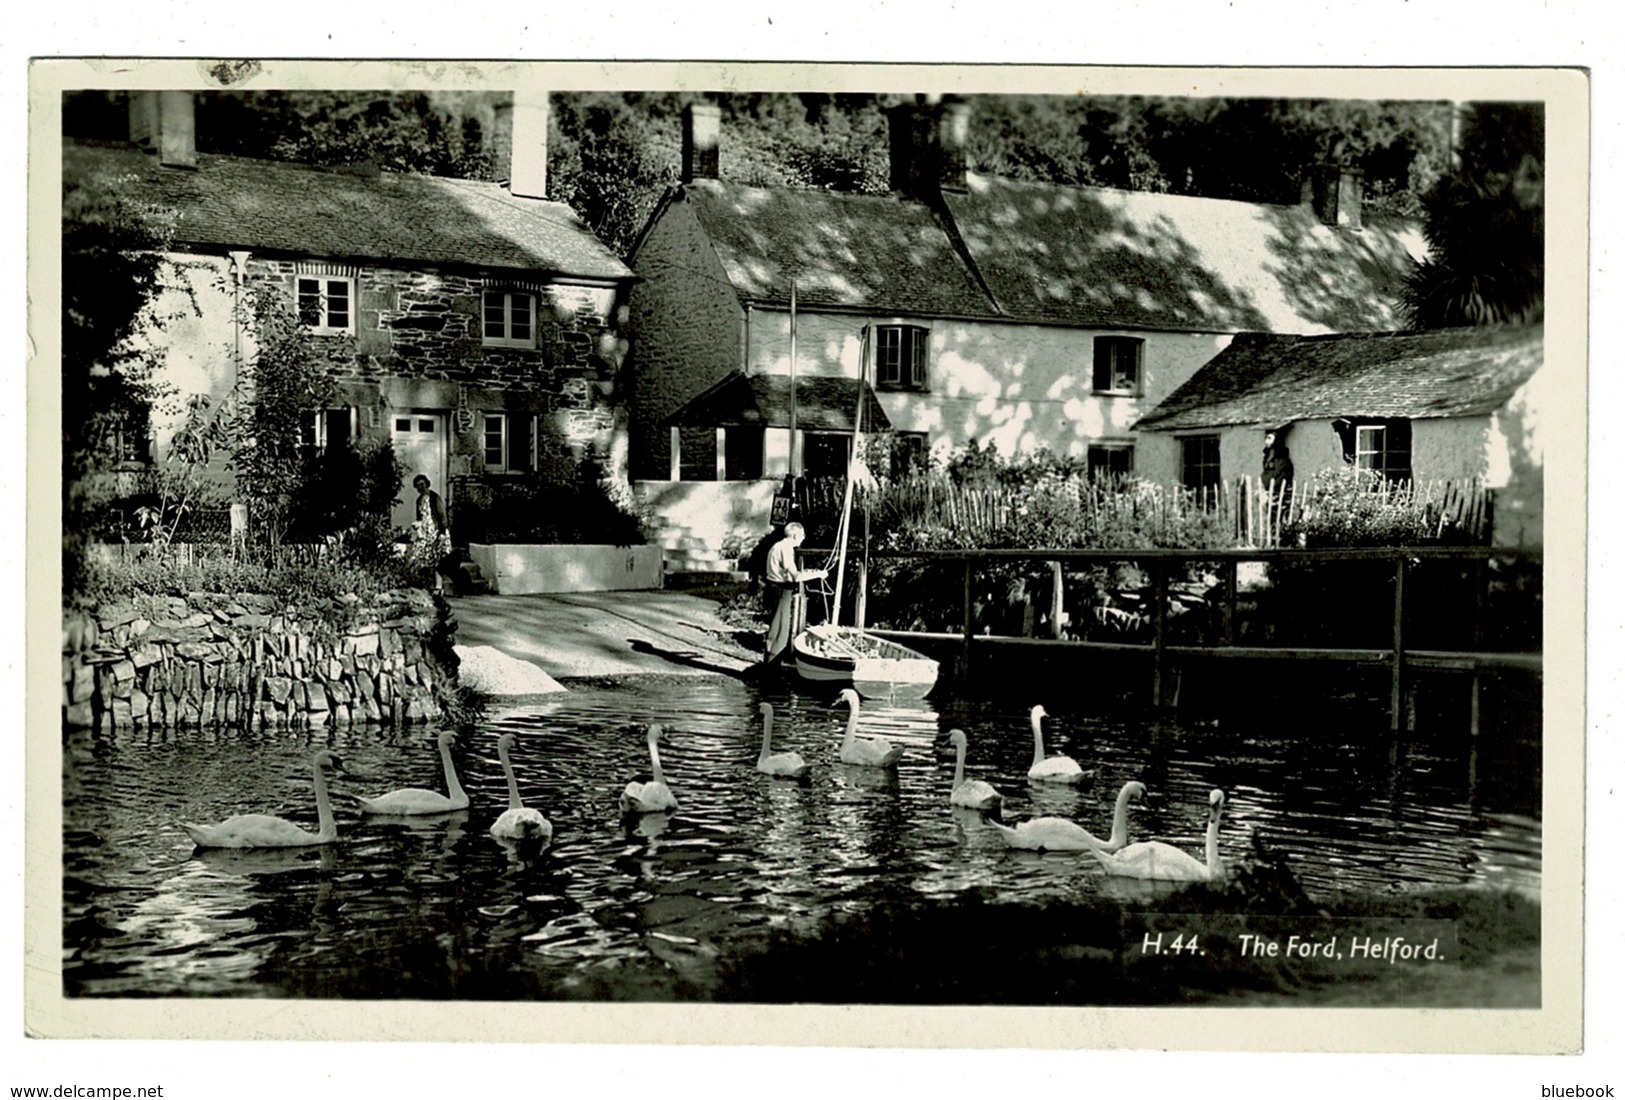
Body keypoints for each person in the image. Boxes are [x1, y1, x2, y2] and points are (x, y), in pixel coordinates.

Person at [762, 522, 827, 665]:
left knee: (776, 630)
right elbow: (796, 576)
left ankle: (769, 668)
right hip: (781, 589)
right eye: (802, 535)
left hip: (775, 588)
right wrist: (818, 574)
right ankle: (770, 672)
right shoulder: (785, 548)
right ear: (796, 535)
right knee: (781, 633)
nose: (803, 538)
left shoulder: (777, 546)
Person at [407, 474, 452, 594]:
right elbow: (420, 517)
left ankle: (439, 587)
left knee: (438, 561)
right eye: (418, 486)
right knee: (420, 558)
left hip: (437, 532)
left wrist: (442, 533)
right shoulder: (419, 500)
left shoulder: (434, 497)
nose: (420, 488)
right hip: (425, 534)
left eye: (422, 485)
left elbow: (442, 516)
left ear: (427, 484)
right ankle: (426, 585)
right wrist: (417, 524)